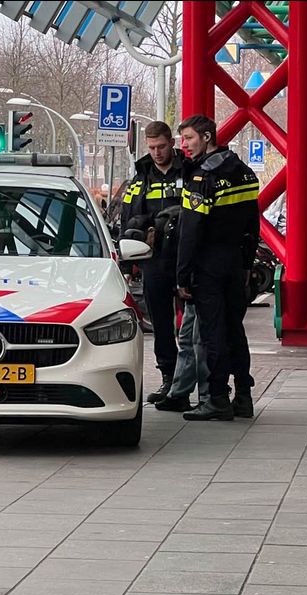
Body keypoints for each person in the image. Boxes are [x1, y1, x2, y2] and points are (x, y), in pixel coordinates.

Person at [175, 115, 258, 421]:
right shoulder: (245, 173)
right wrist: (247, 264)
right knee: (236, 330)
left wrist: (182, 275)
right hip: (236, 262)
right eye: (183, 140)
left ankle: (218, 398)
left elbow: (191, 231)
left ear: (207, 137)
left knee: (214, 333)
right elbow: (253, 225)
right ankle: (244, 397)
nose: (184, 146)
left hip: (208, 265)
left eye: (190, 139)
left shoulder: (201, 179)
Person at [119, 121, 187, 403]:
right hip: (154, 259)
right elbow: (127, 219)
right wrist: (128, 261)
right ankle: (169, 380)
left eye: (161, 146)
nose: (157, 153)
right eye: (151, 148)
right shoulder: (141, 178)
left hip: (186, 256)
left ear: (172, 142)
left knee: (198, 325)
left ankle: (203, 383)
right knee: (160, 324)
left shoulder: (190, 171)